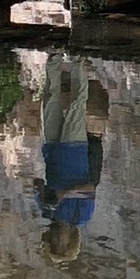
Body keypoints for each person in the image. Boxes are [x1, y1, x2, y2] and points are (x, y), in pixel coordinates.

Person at [37, 52, 108, 265]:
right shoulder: (81, 217)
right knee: (77, 107)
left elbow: (37, 183)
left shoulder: (48, 212)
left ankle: (54, 60)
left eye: (54, 243)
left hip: (52, 150)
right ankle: (78, 61)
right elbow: (90, 189)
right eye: (62, 244)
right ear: (71, 241)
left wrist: (43, 194)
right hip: (75, 151)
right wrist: (64, 194)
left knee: (50, 102)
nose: (58, 240)